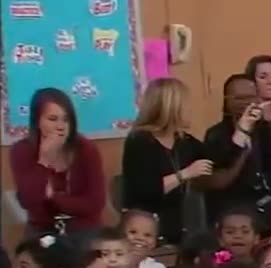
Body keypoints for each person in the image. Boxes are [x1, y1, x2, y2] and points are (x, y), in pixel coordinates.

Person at [122, 79, 211, 245]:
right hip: (146, 226)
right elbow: (146, 190)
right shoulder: (140, 141)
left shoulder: (184, 141)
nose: (189, 109)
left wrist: (242, 130)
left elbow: (215, 159)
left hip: (180, 223)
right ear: (171, 107)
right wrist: (185, 174)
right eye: (185, 104)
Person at [10, 88, 105, 236]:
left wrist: (53, 199)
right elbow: (29, 202)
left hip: (83, 230)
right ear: (37, 122)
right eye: (53, 119)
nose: (61, 126)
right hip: (42, 230)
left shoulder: (87, 149)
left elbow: (95, 204)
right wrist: (44, 160)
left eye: (66, 120)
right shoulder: (22, 150)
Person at [201, 74, 271, 224]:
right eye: (239, 98)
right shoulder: (216, 135)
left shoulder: (267, 130)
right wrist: (242, 141)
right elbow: (217, 181)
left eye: (250, 97)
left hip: (269, 205)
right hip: (232, 208)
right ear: (227, 101)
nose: (246, 103)